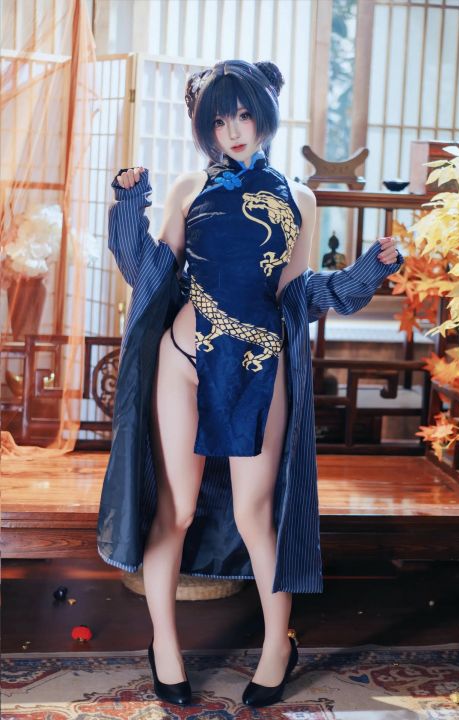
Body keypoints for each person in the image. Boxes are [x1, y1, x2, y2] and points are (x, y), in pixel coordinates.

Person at [97, 59, 403, 708]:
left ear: (263, 115)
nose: (233, 130)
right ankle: (164, 646)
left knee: (253, 515)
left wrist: (366, 274)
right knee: (175, 511)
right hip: (183, 358)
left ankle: (275, 648)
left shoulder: (299, 198)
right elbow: (148, 270)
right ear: (204, 128)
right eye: (218, 120)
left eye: (242, 115)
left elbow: (299, 294)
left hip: (259, 363)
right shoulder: (189, 188)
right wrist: (129, 202)